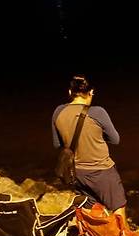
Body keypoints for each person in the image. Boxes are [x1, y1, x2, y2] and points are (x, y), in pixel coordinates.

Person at [52, 75, 128, 223]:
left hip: (76, 172)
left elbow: (57, 144)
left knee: (91, 210)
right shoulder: (98, 112)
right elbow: (115, 139)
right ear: (91, 92)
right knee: (118, 208)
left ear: (70, 92)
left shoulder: (58, 112)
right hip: (102, 171)